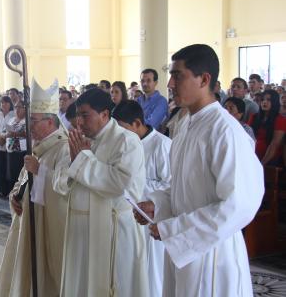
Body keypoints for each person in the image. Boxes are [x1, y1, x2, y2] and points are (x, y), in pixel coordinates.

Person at [135, 44, 264, 297]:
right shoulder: (185, 126)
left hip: (213, 253)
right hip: (184, 251)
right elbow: (184, 186)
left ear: (204, 79)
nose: (170, 83)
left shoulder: (225, 130)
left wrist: (175, 230)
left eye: (178, 75)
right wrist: (157, 205)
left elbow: (239, 204)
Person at [61, 89, 148, 297]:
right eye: (78, 115)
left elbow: (120, 184)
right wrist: (76, 164)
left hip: (114, 231)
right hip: (83, 231)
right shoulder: (80, 138)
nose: (79, 122)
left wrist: (82, 160)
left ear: (105, 114)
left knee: (115, 285)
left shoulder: (126, 141)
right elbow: (62, 177)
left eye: (85, 115)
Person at [0, 78, 70, 297]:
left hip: (48, 227)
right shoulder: (39, 148)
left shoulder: (63, 150)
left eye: (34, 120)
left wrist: (40, 171)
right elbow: (22, 181)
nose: (30, 126)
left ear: (50, 122)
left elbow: (66, 188)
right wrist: (15, 196)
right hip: (29, 220)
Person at [112, 100, 171, 297]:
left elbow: (171, 185)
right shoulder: (122, 145)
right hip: (128, 216)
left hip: (151, 218)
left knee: (152, 273)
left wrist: (137, 184)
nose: (118, 135)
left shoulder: (162, 145)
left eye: (123, 128)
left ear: (137, 123)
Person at [249, 89, 285, 166]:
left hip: (270, 158)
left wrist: (261, 164)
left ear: (275, 102)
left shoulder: (280, 120)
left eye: (268, 100)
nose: (264, 102)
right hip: (252, 154)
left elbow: (274, 145)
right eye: (262, 100)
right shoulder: (254, 117)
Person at [0, 96, 14, 196]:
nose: (4, 105)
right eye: (2, 103)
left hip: (9, 146)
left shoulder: (13, 115)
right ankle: (2, 190)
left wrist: (3, 139)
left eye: (6, 103)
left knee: (9, 169)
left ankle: (10, 191)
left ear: (10, 104)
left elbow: (13, 129)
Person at [5, 101, 27, 194]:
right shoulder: (12, 120)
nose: (17, 109)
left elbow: (28, 134)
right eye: (16, 107)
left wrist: (16, 134)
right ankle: (12, 193)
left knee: (20, 173)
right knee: (11, 173)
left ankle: (19, 193)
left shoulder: (27, 120)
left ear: (24, 109)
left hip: (22, 151)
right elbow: (6, 132)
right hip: (11, 149)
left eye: (19, 107)